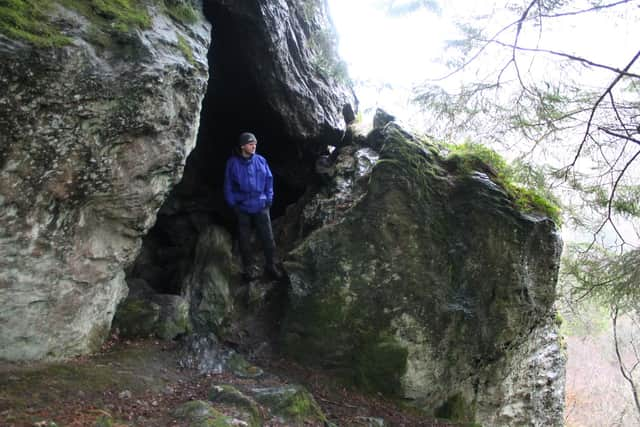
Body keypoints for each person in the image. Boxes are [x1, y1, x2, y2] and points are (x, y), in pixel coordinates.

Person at [224, 132, 282, 281]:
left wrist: (269, 198)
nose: (254, 146)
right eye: (251, 144)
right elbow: (228, 185)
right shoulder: (233, 163)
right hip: (243, 206)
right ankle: (249, 269)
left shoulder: (261, 160)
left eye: (255, 143)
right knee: (244, 240)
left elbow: (269, 180)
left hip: (261, 205)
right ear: (243, 146)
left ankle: (271, 265)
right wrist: (233, 204)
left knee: (268, 237)